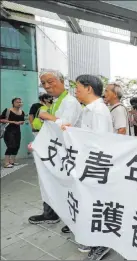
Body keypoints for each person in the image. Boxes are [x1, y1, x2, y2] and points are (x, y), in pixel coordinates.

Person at [62, 74, 113, 260]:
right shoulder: (90, 109)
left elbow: (99, 143)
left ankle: (102, 244)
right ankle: (93, 239)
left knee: (96, 204)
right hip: (89, 163)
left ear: (89, 88)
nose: (76, 91)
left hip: (96, 165)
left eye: (78, 87)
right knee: (89, 203)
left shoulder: (98, 110)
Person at [29, 69, 83, 230]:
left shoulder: (70, 102)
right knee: (50, 182)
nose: (46, 86)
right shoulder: (57, 101)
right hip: (55, 152)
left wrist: (46, 116)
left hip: (66, 153)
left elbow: (66, 127)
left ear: (61, 81)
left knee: (67, 185)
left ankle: (74, 218)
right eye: (43, 83)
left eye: (50, 81)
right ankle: (52, 213)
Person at [0, 98, 25, 168]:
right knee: (11, 145)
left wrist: (21, 122)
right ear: (13, 103)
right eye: (17, 102)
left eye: (20, 102)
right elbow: (1, 120)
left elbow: (22, 121)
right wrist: (14, 122)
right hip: (8, 130)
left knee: (17, 146)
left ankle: (12, 161)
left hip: (17, 131)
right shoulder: (8, 110)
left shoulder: (22, 112)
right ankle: (6, 163)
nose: (19, 103)